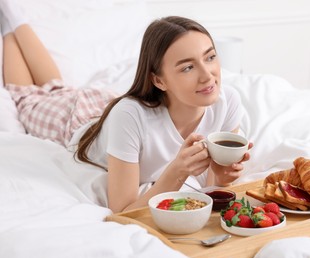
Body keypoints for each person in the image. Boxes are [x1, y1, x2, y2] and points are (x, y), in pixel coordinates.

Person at [1, 1, 252, 213]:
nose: (208, 75)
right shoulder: (130, 115)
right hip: (73, 120)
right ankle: (10, 20)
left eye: (210, 57)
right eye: (188, 67)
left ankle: (14, 19)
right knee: (28, 95)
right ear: (158, 80)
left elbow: (211, 188)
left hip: (104, 106)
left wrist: (221, 177)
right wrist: (176, 172)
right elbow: (123, 211)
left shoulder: (228, 101)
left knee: (59, 86)